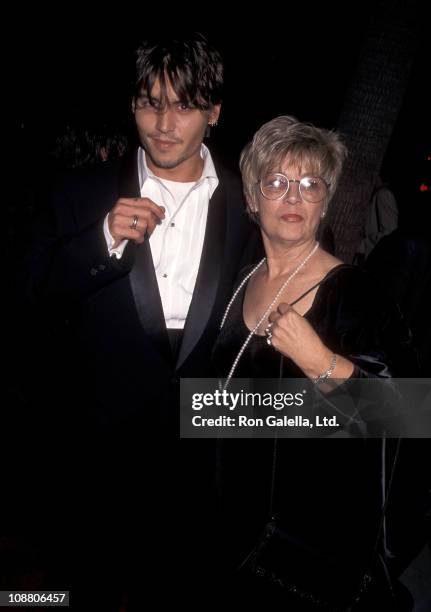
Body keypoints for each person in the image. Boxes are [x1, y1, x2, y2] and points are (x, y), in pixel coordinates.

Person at [25, 32, 260, 607]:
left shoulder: (249, 206)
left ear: (214, 112)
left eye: (183, 104)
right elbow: (29, 292)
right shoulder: (80, 194)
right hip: (97, 440)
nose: (163, 121)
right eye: (149, 101)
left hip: (199, 446)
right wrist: (101, 240)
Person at [212, 116, 416, 609]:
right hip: (230, 525)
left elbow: (407, 414)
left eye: (310, 185)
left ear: (325, 202)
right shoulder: (242, 278)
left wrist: (321, 361)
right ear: (252, 199)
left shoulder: (356, 292)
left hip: (309, 550)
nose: (294, 197)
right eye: (277, 183)